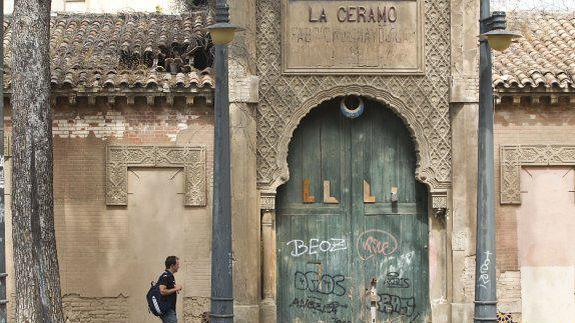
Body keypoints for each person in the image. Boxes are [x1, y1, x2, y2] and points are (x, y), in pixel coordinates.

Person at [158, 256, 182, 323]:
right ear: (172, 265)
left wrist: (175, 288)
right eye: (177, 265)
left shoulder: (170, 276)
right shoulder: (165, 276)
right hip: (167, 310)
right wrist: (175, 289)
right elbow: (162, 291)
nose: (179, 266)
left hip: (170, 310)